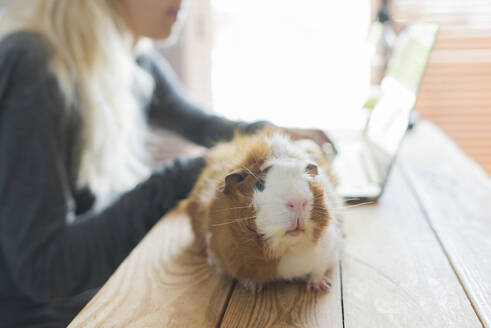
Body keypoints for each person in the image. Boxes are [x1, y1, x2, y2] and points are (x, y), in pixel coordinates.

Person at [0, 0, 334, 326]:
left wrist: (277, 138)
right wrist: (177, 179)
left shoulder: (134, 56)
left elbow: (203, 125)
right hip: (59, 314)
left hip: (105, 287)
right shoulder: (31, 64)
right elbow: (44, 271)